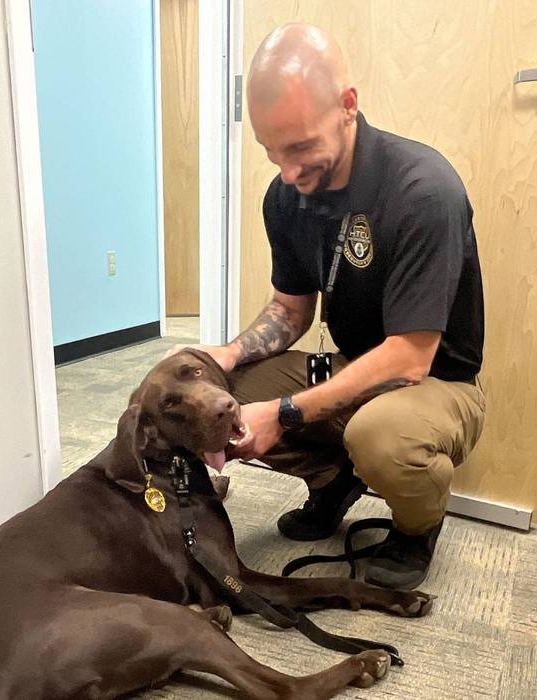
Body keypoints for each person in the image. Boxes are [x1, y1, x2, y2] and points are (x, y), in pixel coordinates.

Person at [175, 22, 485, 590]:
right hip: (354, 366)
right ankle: (332, 480)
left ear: (348, 106)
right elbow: (291, 312)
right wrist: (225, 353)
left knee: (382, 438)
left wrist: (287, 412)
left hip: (435, 383)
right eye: (272, 153)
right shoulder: (287, 195)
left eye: (299, 148)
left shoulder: (422, 190)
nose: (288, 172)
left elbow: (411, 357)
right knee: (215, 396)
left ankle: (417, 529)